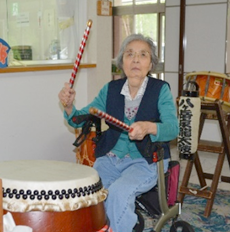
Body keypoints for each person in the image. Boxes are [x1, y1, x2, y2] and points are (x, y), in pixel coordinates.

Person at [58, 33, 179, 232]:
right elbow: (79, 118)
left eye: (143, 55)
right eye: (130, 54)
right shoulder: (110, 90)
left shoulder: (160, 90)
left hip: (146, 161)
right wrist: (70, 106)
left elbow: (172, 128)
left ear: (151, 64)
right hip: (111, 158)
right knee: (89, 194)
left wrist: (148, 127)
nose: (136, 60)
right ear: (122, 61)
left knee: (118, 193)